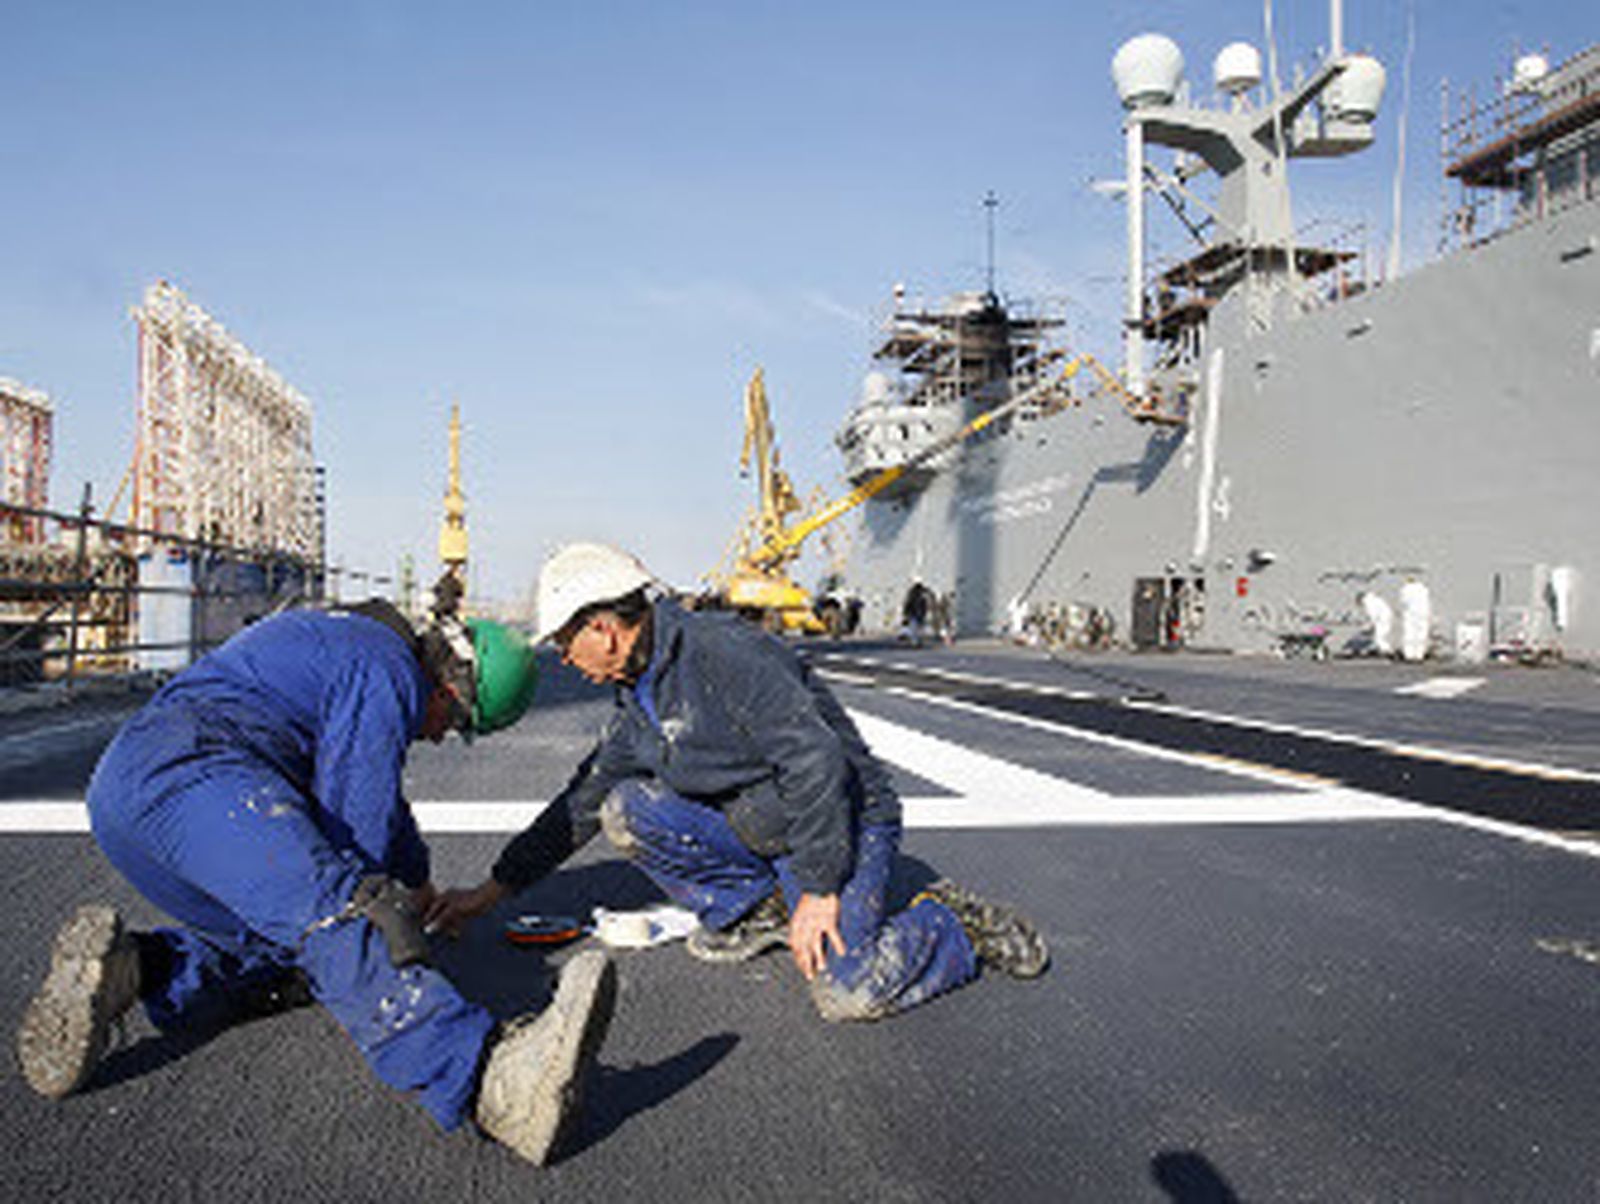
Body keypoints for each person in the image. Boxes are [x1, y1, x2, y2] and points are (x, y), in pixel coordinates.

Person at [15, 595, 614, 1167]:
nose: (437, 736)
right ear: (450, 680)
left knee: (285, 947)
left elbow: (377, 801)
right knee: (340, 905)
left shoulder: (353, 645)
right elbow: (356, 829)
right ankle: (490, 1080)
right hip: (196, 771)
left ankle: (143, 969)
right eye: (455, 720)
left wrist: (417, 883)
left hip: (126, 798)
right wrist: (394, 907)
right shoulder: (387, 668)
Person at [428, 543, 1047, 1024]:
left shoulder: (721, 654)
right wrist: (489, 892)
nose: (564, 659)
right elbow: (580, 806)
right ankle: (756, 911)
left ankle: (949, 923)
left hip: (843, 820)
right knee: (622, 808)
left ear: (604, 629)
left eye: (565, 644)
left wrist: (821, 888)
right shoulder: (636, 698)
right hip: (765, 827)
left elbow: (816, 762)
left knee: (847, 989)